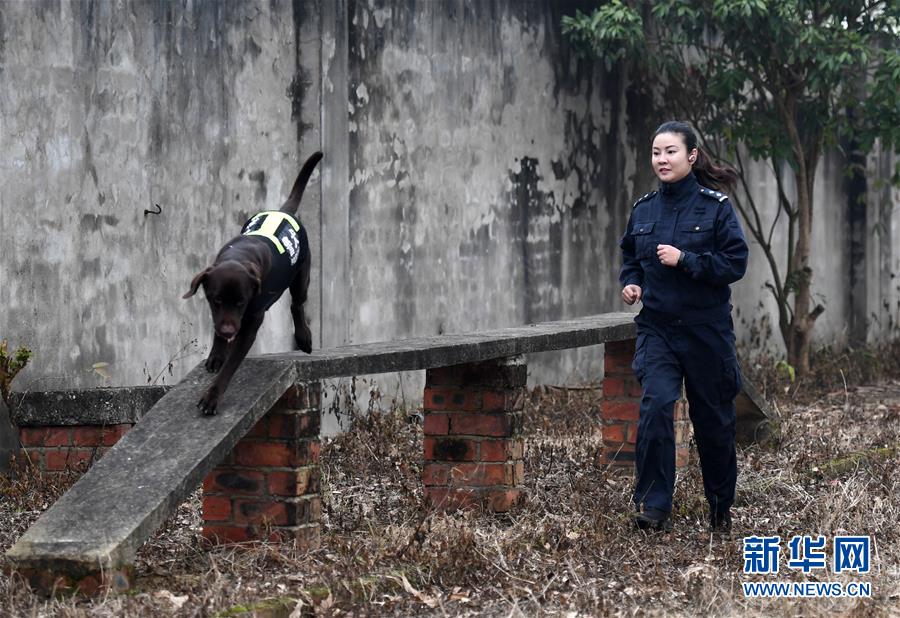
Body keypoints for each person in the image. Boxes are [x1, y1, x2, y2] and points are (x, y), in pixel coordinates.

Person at [619, 120, 749, 532]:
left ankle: (720, 508)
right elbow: (630, 257)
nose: (662, 159)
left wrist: (686, 260)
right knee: (656, 406)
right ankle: (653, 507)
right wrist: (632, 283)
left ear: (691, 156)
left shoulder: (715, 208)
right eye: (656, 152)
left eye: (671, 151)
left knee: (713, 421)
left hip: (705, 330)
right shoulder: (643, 209)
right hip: (657, 328)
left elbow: (735, 263)